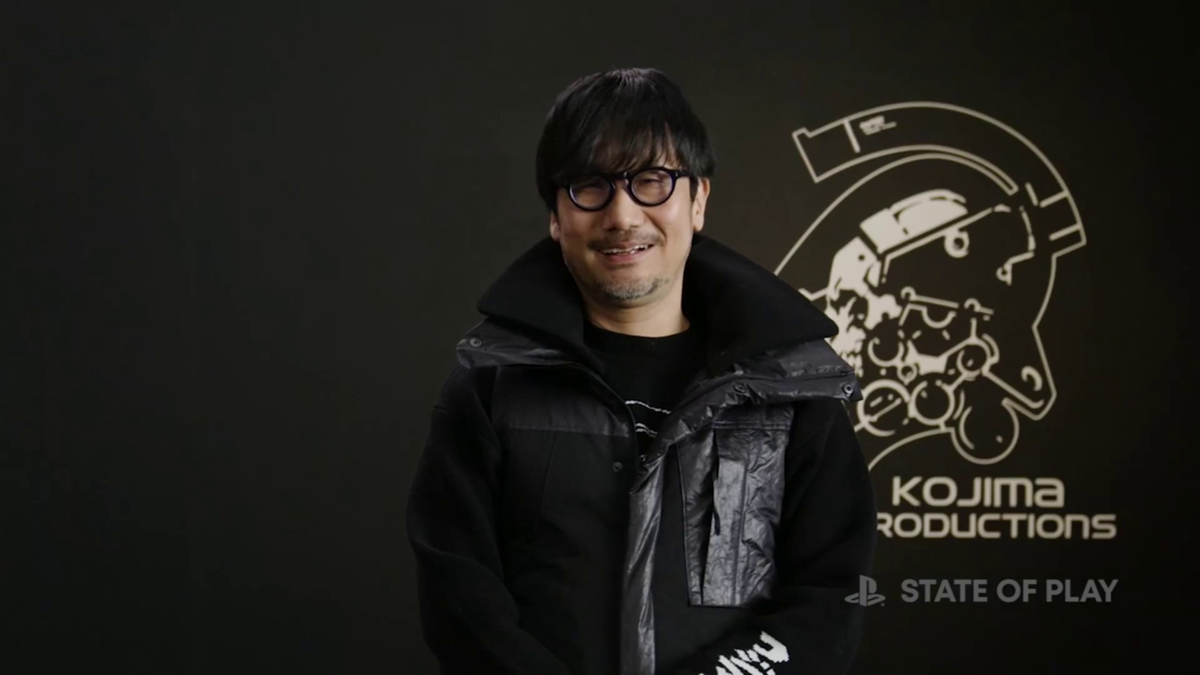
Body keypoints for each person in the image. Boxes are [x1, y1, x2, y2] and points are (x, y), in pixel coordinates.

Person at [406, 67, 877, 675]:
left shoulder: (790, 391)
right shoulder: (491, 385)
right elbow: (460, 598)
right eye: (590, 185)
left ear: (698, 200)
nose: (623, 215)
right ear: (556, 216)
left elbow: (829, 600)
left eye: (651, 181)